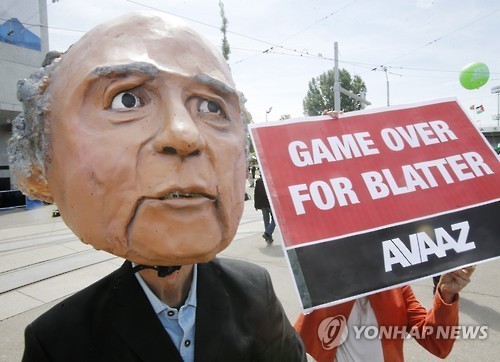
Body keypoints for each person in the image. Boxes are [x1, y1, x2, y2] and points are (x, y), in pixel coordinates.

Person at [9, 12, 305, 361]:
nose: (184, 135)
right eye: (127, 99)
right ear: (43, 158)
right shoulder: (57, 342)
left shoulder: (257, 292)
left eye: (211, 107)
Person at [294, 261, 475, 361]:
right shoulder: (326, 287)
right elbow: (292, 342)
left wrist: (446, 294)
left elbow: (437, 342)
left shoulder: (397, 287)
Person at [254, 176, 275, 245]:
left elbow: (256, 193)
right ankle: (267, 233)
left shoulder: (258, 181)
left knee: (266, 221)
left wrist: (256, 205)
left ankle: (268, 238)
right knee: (275, 220)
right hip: (270, 204)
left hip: (262, 204)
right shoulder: (270, 179)